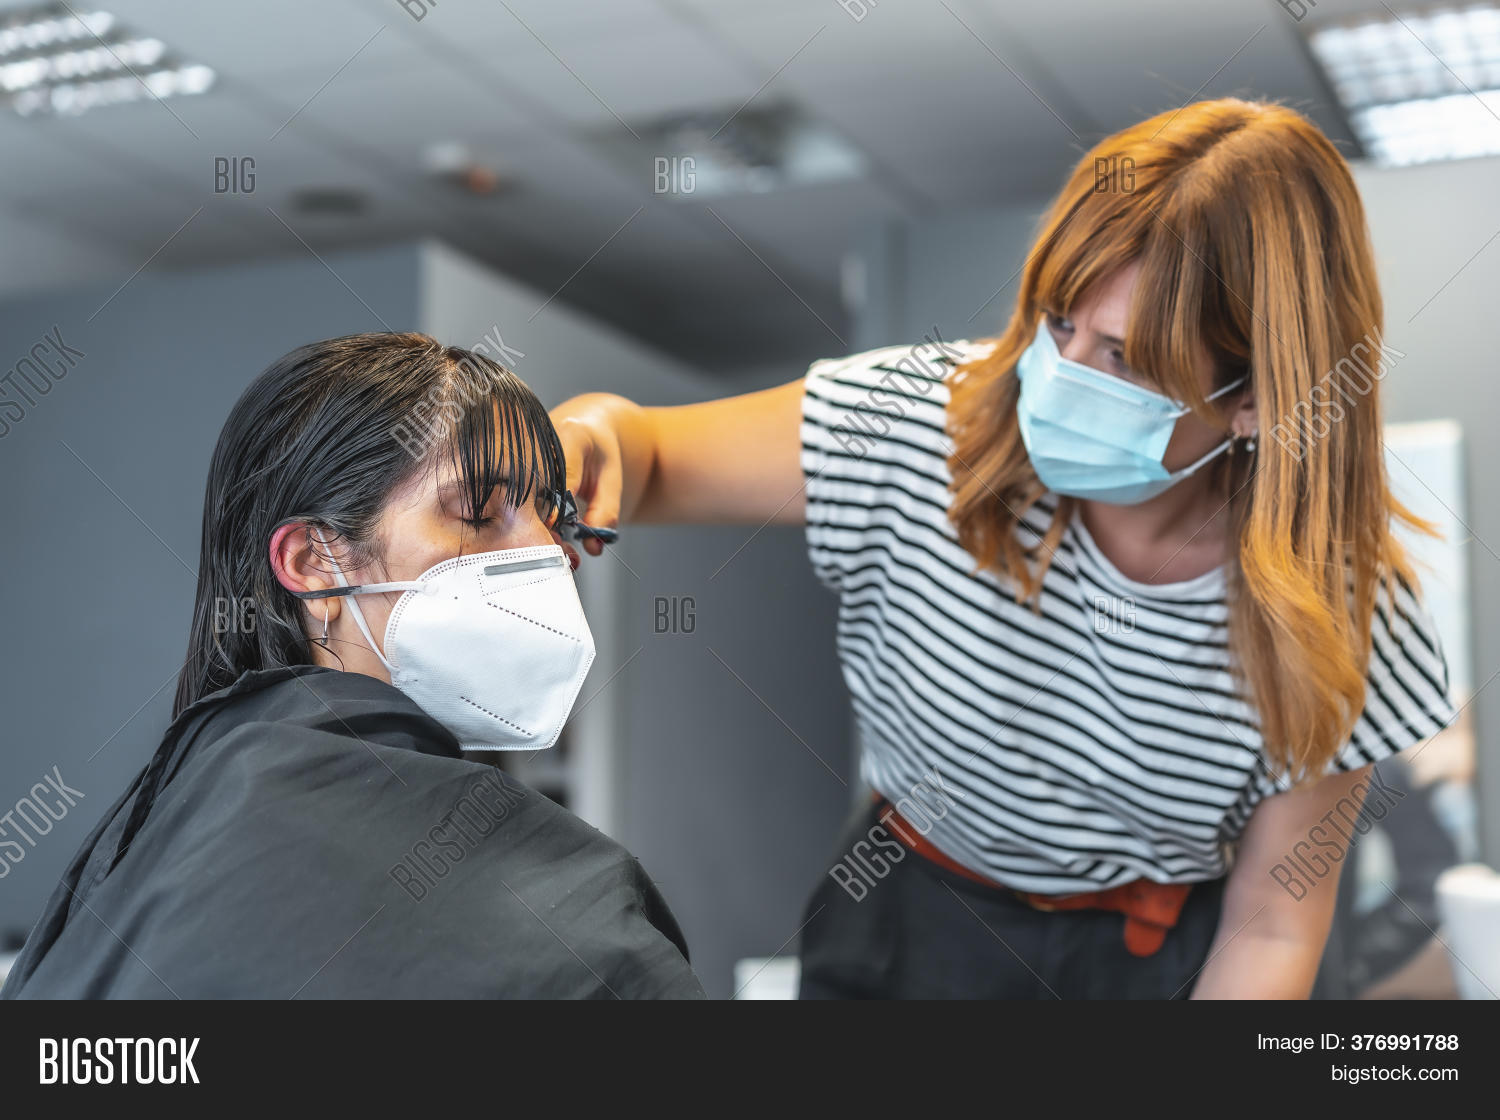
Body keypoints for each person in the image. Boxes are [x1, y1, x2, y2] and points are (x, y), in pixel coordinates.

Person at [548, 99, 1457, 999]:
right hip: (909, 910)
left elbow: (1273, 924)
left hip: (1151, 958)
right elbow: (649, 453)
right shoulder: (915, 423)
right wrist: (589, 434)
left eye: (1125, 359)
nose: (1059, 376)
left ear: (1256, 396)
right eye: (1060, 322)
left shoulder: (1348, 615)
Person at [2, 333, 704, 1000]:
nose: (550, 554)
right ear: (313, 563)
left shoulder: (164, 826)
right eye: (481, 512)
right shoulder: (577, 903)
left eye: (550, 511)